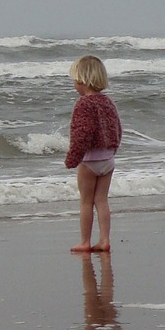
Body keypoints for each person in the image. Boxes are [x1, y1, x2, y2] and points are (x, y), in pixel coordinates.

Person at [65, 54, 122, 253]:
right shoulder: (107, 102)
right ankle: (104, 239)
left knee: (86, 202)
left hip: (89, 160)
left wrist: (73, 158)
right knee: (102, 200)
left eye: (74, 79)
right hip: (107, 158)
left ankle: (84, 241)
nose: (74, 84)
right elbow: (117, 128)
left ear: (81, 80)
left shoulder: (83, 104)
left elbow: (82, 133)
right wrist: (113, 149)